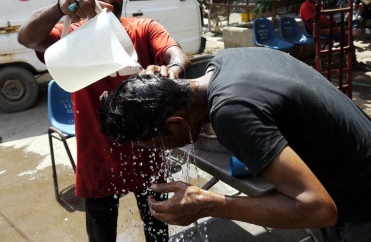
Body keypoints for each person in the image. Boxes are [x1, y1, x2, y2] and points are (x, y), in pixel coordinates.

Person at [99, 47, 371, 242]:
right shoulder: (225, 60)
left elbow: (319, 209)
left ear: (176, 124)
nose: (163, 151)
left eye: (158, 145)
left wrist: (209, 204)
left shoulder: (230, 113)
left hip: (359, 202)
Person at [17, 0, 191, 241]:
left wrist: (172, 69)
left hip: (146, 153)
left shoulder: (143, 28)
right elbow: (28, 38)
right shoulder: (72, 37)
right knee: (101, 235)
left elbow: (177, 54)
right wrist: (60, 7)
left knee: (158, 230)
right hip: (97, 158)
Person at [299, 0, 371, 71]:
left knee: (352, 22)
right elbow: (316, 24)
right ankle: (352, 63)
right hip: (320, 31)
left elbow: (324, 19)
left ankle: (353, 33)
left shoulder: (317, 4)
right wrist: (335, 27)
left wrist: (335, 24)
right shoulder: (306, 6)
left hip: (328, 28)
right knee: (347, 37)